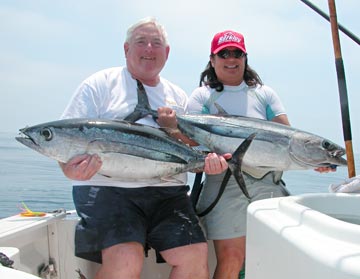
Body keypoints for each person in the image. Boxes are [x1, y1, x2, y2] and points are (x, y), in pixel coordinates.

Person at [58, 17, 229, 279]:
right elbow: (66, 140)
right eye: (141, 42)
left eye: (156, 43)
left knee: (195, 255)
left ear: (167, 53)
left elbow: (191, 147)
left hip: (167, 192)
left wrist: (210, 161)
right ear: (127, 49)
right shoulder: (100, 84)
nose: (149, 48)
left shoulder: (178, 97)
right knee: (126, 259)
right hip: (108, 190)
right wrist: (69, 170)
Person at [187, 30, 336, 279]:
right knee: (232, 258)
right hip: (225, 185)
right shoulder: (202, 96)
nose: (231, 58)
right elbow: (193, 143)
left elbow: (289, 140)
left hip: (268, 183)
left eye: (237, 53)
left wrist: (316, 160)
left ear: (245, 58)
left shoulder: (264, 94)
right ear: (212, 60)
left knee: (278, 252)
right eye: (224, 53)